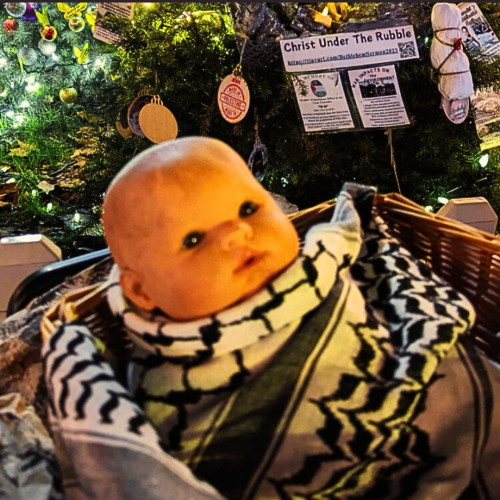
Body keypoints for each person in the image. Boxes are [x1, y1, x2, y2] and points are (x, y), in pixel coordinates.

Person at [42, 137, 500, 500]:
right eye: (195, 239)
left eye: (247, 209)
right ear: (142, 292)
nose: (238, 233)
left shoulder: (327, 255)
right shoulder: (153, 371)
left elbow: (381, 277)